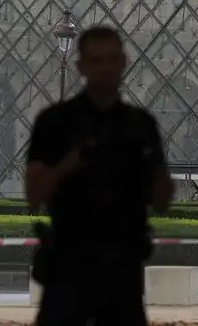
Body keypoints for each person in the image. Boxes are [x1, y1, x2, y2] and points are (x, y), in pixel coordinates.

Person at [25, 26, 174, 326]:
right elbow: (33, 196)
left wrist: (149, 168)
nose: (105, 68)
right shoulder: (55, 122)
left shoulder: (141, 126)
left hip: (122, 268)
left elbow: (162, 201)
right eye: (96, 60)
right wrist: (70, 164)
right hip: (69, 265)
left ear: (123, 61)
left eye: (111, 59)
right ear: (81, 66)